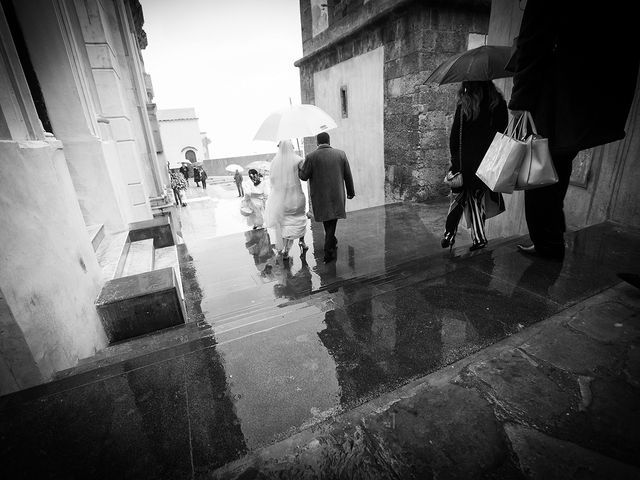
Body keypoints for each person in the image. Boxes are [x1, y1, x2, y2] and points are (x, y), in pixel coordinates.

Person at [507, 0, 639, 260]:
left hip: (553, 98)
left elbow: (532, 42)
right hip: (580, 100)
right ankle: (552, 236)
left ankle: (547, 242)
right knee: (558, 168)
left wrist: (519, 100)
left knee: (539, 173)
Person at [442, 80, 508, 252]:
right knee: (476, 200)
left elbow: (455, 137)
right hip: (486, 163)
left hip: (464, 163)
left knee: (457, 199)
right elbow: (503, 132)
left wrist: (455, 162)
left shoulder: (465, 104)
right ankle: (479, 238)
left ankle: (449, 233)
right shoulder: (498, 104)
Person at [299, 132, 355, 263]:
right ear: (329, 141)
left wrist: (299, 168)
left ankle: (328, 248)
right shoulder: (341, 154)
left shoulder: (311, 157)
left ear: (317, 142)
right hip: (337, 195)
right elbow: (348, 175)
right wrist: (350, 191)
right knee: (332, 220)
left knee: (328, 220)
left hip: (320, 197)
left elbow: (303, 176)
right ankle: (330, 245)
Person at [265, 140, 308, 262]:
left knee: (285, 224)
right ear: (291, 147)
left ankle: (285, 250)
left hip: (282, 199)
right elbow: (304, 175)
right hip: (296, 197)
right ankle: (302, 242)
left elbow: (272, 180)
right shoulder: (298, 159)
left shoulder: (274, 162)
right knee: (299, 219)